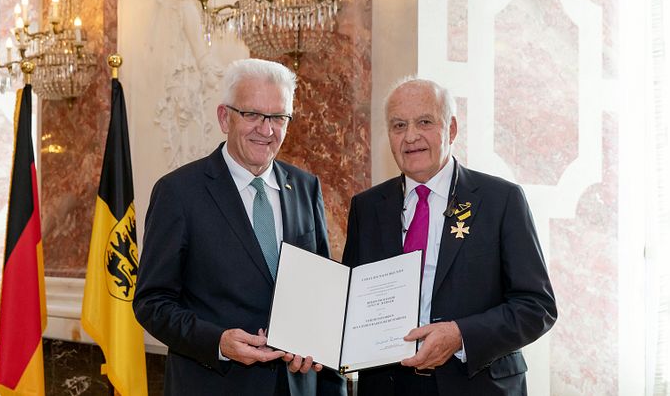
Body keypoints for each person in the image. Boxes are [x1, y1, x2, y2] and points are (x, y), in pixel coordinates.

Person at [134, 58, 346, 396]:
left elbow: (321, 293)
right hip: (214, 384)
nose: (266, 129)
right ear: (224, 117)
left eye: (278, 117)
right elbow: (152, 302)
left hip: (298, 386)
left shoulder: (306, 187)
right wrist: (218, 342)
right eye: (252, 115)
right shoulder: (179, 192)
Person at [342, 78, 557, 395]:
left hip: (477, 385)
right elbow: (351, 302)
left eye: (424, 122)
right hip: (389, 386)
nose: (411, 136)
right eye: (399, 125)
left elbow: (536, 307)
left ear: (451, 129)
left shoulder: (500, 200)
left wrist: (461, 335)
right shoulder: (368, 207)